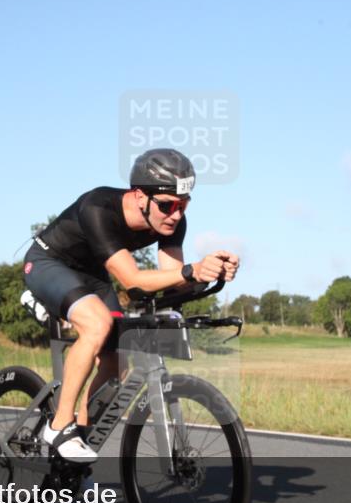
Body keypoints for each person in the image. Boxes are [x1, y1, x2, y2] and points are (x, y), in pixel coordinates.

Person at [22, 148, 239, 462]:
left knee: (116, 363)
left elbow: (171, 278)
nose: (176, 215)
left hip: (94, 275)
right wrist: (190, 269)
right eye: (167, 206)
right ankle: (59, 426)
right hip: (49, 264)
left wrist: (207, 274)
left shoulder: (173, 221)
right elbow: (133, 281)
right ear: (139, 196)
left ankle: (74, 454)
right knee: (97, 325)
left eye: (183, 204)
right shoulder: (98, 207)